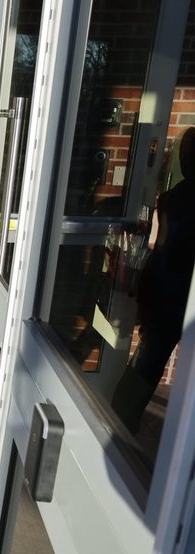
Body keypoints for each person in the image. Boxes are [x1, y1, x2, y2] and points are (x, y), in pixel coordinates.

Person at [111, 128, 195, 433]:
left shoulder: (174, 197)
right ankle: (122, 415)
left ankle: (123, 410)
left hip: (161, 278)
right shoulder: (182, 199)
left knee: (150, 352)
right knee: (152, 354)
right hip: (176, 284)